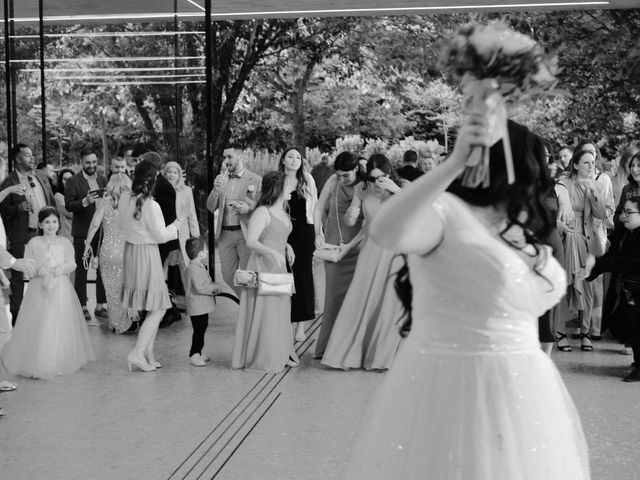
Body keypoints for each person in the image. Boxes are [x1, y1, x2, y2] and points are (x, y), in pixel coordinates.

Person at [344, 117, 589, 480]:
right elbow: (384, 230)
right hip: (455, 380)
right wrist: (454, 162)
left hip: (525, 388)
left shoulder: (521, 222)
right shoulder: (446, 212)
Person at [321, 154, 404, 370]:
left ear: (388, 173)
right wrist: (347, 244)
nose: (378, 182)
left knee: (388, 306)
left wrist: (397, 191)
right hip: (370, 249)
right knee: (359, 301)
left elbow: (420, 212)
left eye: (382, 177)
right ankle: (348, 354)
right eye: (374, 177)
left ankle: (381, 356)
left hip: (396, 252)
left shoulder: (402, 186)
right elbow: (364, 225)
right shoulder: (362, 189)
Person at [1, 207, 94, 379]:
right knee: (39, 321)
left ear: (58, 223)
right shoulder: (34, 243)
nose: (51, 226)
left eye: (54, 222)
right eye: (47, 222)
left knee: (57, 321)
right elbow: (26, 269)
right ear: (40, 224)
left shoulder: (65, 242)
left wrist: (61, 268)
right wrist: (37, 269)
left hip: (60, 287)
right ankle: (37, 361)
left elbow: (72, 264)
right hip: (38, 288)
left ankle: (56, 360)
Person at [231, 171, 299, 373]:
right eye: (288, 186)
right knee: (267, 312)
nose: (292, 188)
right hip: (263, 266)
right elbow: (252, 241)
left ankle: (279, 351)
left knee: (280, 311)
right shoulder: (262, 212)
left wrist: (287, 247)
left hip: (278, 265)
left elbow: (278, 234)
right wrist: (270, 251)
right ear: (278, 188)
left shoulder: (283, 210)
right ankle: (265, 356)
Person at [118, 159, 182, 372]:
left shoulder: (125, 198)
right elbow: (161, 236)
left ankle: (148, 352)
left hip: (131, 253)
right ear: (154, 180)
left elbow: (122, 225)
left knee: (154, 306)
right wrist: (177, 225)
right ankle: (137, 352)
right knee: (159, 308)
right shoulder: (152, 205)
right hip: (147, 254)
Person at [555, 148, 614, 351]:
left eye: (593, 162)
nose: (591, 166)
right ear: (576, 164)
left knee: (586, 289)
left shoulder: (594, 185)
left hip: (588, 243)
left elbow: (599, 214)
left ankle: (585, 333)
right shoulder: (564, 184)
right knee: (565, 287)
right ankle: (561, 333)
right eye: (586, 162)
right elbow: (560, 200)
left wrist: (594, 191)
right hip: (568, 240)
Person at [313, 152, 365, 358]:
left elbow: (370, 219)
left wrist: (352, 245)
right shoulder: (333, 180)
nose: (342, 178)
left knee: (356, 299)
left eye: (346, 175)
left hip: (357, 247)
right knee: (333, 297)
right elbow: (318, 208)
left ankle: (351, 350)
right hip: (334, 246)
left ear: (356, 169)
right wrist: (318, 232)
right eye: (339, 174)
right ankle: (328, 349)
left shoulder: (365, 184)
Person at [584, 195, 640, 382]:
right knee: (624, 323)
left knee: (632, 323)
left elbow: (627, 262)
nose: (624, 216)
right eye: (623, 211)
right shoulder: (625, 232)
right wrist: (593, 267)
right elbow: (612, 256)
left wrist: (597, 266)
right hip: (630, 288)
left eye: (629, 212)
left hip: (635, 287)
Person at [0, 143, 55, 323]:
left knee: (44, 270)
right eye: (27, 155)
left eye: (32, 155)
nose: (32, 159)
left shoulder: (41, 176)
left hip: (43, 233)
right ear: (17, 158)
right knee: (18, 275)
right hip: (21, 234)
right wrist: (18, 207)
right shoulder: (9, 182)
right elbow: (3, 211)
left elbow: (51, 199)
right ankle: (17, 314)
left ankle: (43, 309)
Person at [206, 143, 262, 296]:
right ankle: (248, 304)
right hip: (224, 236)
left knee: (248, 276)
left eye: (229, 157)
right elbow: (211, 207)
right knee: (228, 276)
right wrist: (215, 189)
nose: (226, 161)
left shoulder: (256, 180)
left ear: (240, 156)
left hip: (244, 234)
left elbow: (263, 209)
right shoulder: (221, 179)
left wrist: (249, 209)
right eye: (224, 157)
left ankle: (249, 312)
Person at [83, 174, 136, 333]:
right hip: (127, 251)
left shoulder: (105, 202)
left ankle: (116, 323)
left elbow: (94, 224)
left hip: (108, 252)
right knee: (126, 287)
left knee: (111, 290)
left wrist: (87, 245)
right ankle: (126, 320)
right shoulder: (132, 203)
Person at [64, 148, 108, 321]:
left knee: (102, 270)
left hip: (102, 231)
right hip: (82, 232)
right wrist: (84, 202)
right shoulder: (74, 181)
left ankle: (100, 306)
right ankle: (81, 305)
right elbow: (68, 205)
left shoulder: (102, 179)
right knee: (81, 270)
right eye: (88, 162)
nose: (92, 165)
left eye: (94, 162)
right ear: (81, 162)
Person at [279, 147, 318, 342]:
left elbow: (315, 207)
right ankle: (285, 320)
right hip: (283, 232)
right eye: (291, 157)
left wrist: (318, 234)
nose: (295, 160)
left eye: (298, 157)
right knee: (285, 276)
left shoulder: (307, 179)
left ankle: (300, 326)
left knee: (302, 277)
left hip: (304, 232)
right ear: (283, 160)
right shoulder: (278, 180)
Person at [184, 237, 222, 367]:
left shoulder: (195, 266)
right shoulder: (194, 269)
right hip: (197, 307)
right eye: (205, 250)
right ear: (200, 253)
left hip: (199, 307)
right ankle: (194, 354)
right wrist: (214, 288)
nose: (206, 252)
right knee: (199, 330)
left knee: (201, 328)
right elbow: (201, 287)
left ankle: (198, 352)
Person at [162, 161, 200, 289]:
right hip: (165, 234)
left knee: (185, 267)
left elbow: (192, 214)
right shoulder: (160, 190)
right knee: (162, 268)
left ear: (179, 175)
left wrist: (195, 235)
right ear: (164, 174)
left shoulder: (187, 191)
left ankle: (190, 300)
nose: (172, 175)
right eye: (169, 172)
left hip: (182, 236)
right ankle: (162, 303)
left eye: (175, 172)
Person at [54, 168, 75, 241]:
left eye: (70, 178)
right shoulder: (58, 197)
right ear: (61, 182)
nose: (68, 181)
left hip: (78, 235)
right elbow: (72, 213)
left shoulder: (78, 196)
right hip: (65, 235)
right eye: (65, 179)